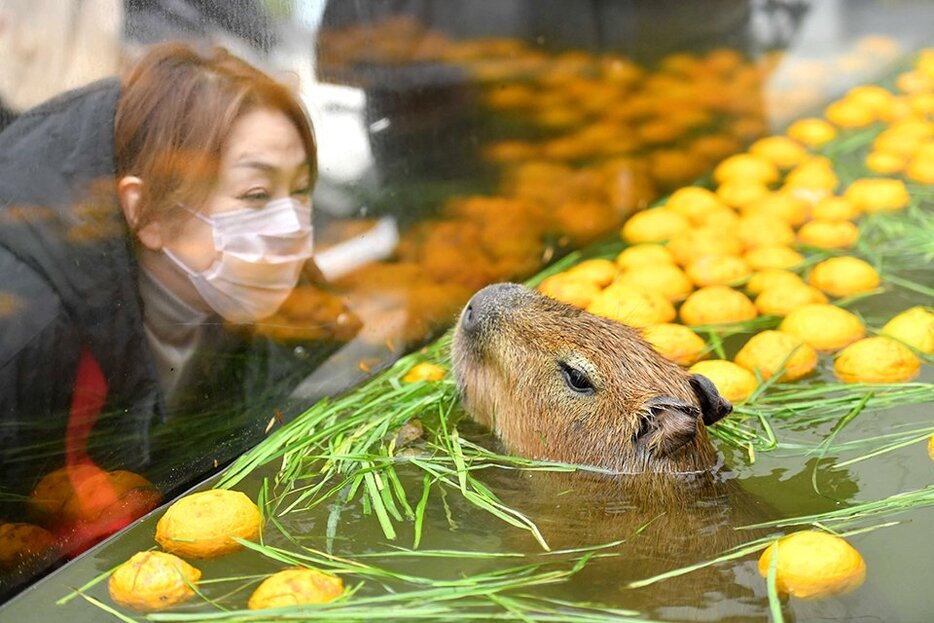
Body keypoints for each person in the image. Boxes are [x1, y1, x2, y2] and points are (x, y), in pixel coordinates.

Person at [0, 42, 325, 584]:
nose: (292, 226)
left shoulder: (254, 278)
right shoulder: (26, 330)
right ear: (145, 210)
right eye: (256, 193)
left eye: (302, 190)